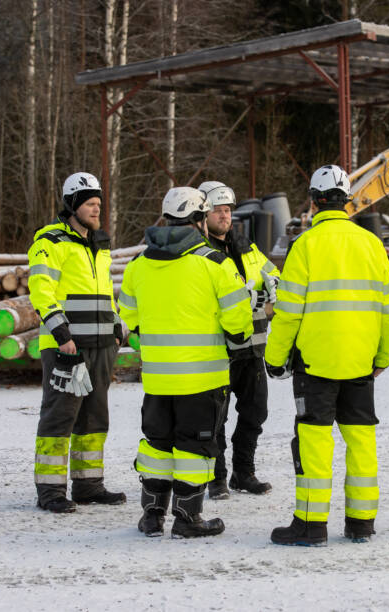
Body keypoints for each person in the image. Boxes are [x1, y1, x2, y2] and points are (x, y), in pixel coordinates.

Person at [264, 164, 389, 546]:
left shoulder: (305, 244)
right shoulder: (371, 244)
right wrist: (382, 356)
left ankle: (311, 524)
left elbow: (289, 312)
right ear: (348, 200)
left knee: (315, 442)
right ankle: (361, 522)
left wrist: (274, 358)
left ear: (313, 201)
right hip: (360, 362)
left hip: (316, 363)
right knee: (361, 442)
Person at [118, 186, 254, 538]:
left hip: (158, 380)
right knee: (194, 448)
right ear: (199, 219)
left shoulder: (137, 265)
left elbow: (128, 318)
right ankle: (187, 518)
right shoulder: (215, 264)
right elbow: (239, 325)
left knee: (156, 444)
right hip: (202, 379)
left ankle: (152, 515)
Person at [28, 171, 126, 514]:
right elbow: (41, 291)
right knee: (60, 416)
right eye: (89, 204)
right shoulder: (51, 242)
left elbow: (104, 293)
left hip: (101, 345)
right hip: (67, 346)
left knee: (95, 417)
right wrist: (62, 335)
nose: (96, 210)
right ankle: (50, 491)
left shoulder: (101, 243)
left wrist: (116, 325)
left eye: (99, 204)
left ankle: (88, 486)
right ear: (72, 206)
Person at [198, 180, 280, 500]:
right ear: (203, 213)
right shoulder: (200, 254)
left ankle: (243, 472)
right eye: (218, 210)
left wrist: (272, 290)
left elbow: (274, 279)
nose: (225, 215)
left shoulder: (248, 248)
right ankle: (217, 478)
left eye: (228, 210)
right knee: (216, 417)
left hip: (252, 347)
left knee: (255, 412)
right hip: (218, 351)